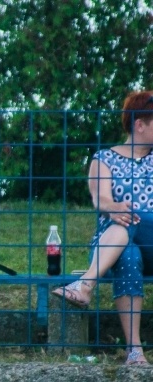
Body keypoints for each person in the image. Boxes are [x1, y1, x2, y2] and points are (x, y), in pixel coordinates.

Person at [52, 90, 153, 365]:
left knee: (135, 216)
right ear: (139, 124)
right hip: (114, 245)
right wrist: (115, 207)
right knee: (128, 255)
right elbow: (101, 199)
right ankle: (135, 349)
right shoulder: (104, 159)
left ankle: (85, 285)